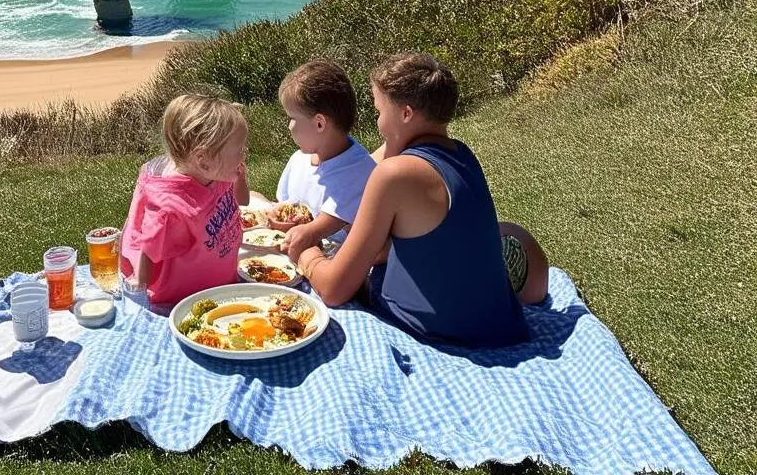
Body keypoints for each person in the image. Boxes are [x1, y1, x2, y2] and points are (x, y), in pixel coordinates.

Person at [289, 53, 546, 348]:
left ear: (406, 114)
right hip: (499, 324)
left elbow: (334, 289)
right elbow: (382, 154)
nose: (378, 123)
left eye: (379, 112)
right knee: (505, 230)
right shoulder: (461, 155)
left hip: (442, 331)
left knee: (346, 265)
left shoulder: (395, 174)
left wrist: (307, 254)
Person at [119, 93, 250, 309]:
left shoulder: (217, 176)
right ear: (203, 160)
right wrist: (139, 294)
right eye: (239, 150)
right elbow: (149, 251)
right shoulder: (173, 209)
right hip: (183, 300)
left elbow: (242, 201)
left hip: (221, 285)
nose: (244, 155)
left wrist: (240, 179)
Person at [271, 60, 377, 255]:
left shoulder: (361, 173)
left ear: (320, 123)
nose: (289, 127)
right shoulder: (299, 160)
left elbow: (318, 229)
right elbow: (285, 208)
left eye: (292, 118)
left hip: (332, 267)